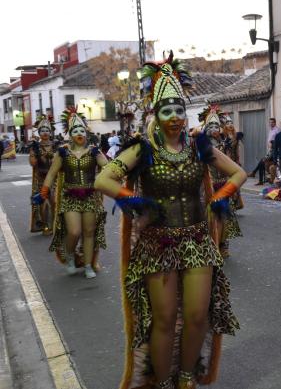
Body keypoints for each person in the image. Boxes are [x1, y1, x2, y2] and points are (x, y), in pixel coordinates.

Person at [95, 53, 244, 388]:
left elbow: (238, 172)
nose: (175, 117)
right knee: (163, 320)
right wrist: (132, 199)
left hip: (197, 243)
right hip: (157, 246)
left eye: (179, 110)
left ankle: (187, 377)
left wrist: (220, 198)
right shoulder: (141, 149)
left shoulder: (198, 146)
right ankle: (162, 383)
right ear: (155, 114)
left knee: (196, 316)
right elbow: (103, 180)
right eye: (167, 111)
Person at [34, 108, 108, 279]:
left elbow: (108, 167)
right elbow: (52, 173)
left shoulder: (94, 151)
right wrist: (44, 192)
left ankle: (88, 264)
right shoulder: (63, 152)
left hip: (90, 196)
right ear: (70, 134)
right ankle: (69, 256)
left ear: (86, 133)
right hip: (70, 197)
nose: (79, 133)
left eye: (82, 130)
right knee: (74, 231)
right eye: (75, 130)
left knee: (89, 232)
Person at [201, 106, 243, 258]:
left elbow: (232, 163)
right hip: (210, 185)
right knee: (212, 217)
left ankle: (223, 244)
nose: (213, 129)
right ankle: (213, 244)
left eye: (216, 126)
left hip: (224, 183)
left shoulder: (225, 144)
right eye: (210, 126)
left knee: (225, 216)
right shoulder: (201, 145)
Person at [29, 115, 57, 234]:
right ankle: (46, 226)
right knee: (44, 203)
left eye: (47, 130)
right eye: (42, 131)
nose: (45, 133)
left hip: (55, 178)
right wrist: (37, 154)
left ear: (50, 133)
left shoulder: (56, 145)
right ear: (39, 133)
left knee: (55, 201)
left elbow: (62, 162)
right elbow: (33, 163)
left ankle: (55, 225)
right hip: (41, 179)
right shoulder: (35, 146)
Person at [221, 113, 244, 210]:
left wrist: (238, 160)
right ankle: (229, 204)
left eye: (231, 123)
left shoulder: (236, 137)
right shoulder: (222, 137)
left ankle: (235, 203)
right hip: (225, 163)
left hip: (234, 162)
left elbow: (237, 150)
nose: (230, 124)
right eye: (227, 123)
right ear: (225, 126)